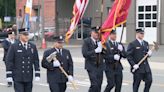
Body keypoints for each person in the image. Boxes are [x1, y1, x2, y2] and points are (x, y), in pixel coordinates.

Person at [82, 26, 104, 92]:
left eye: (98, 33)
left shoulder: (100, 42)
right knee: (94, 84)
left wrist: (103, 48)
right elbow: (85, 54)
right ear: (91, 33)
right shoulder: (87, 41)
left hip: (100, 66)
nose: (97, 34)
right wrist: (95, 51)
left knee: (99, 84)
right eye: (95, 32)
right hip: (91, 66)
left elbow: (105, 53)